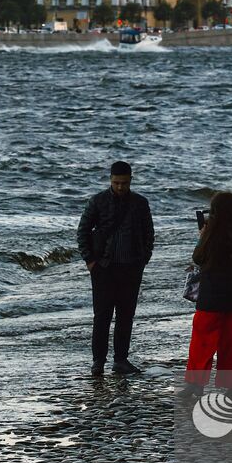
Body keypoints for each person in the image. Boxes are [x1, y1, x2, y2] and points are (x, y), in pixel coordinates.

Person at [77, 160, 155, 376]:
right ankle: (98, 362)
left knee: (125, 317)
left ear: (131, 181)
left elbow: (149, 233)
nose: (120, 187)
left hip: (131, 268)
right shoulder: (98, 201)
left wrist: (143, 259)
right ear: (110, 180)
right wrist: (90, 261)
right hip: (103, 268)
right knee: (101, 317)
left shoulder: (140, 203)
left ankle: (120, 360)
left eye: (124, 183)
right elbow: (82, 231)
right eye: (117, 183)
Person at [184, 191, 232, 393]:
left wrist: (201, 237)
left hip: (211, 295)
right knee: (231, 344)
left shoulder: (211, 234)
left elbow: (198, 258)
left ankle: (196, 385)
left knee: (202, 342)